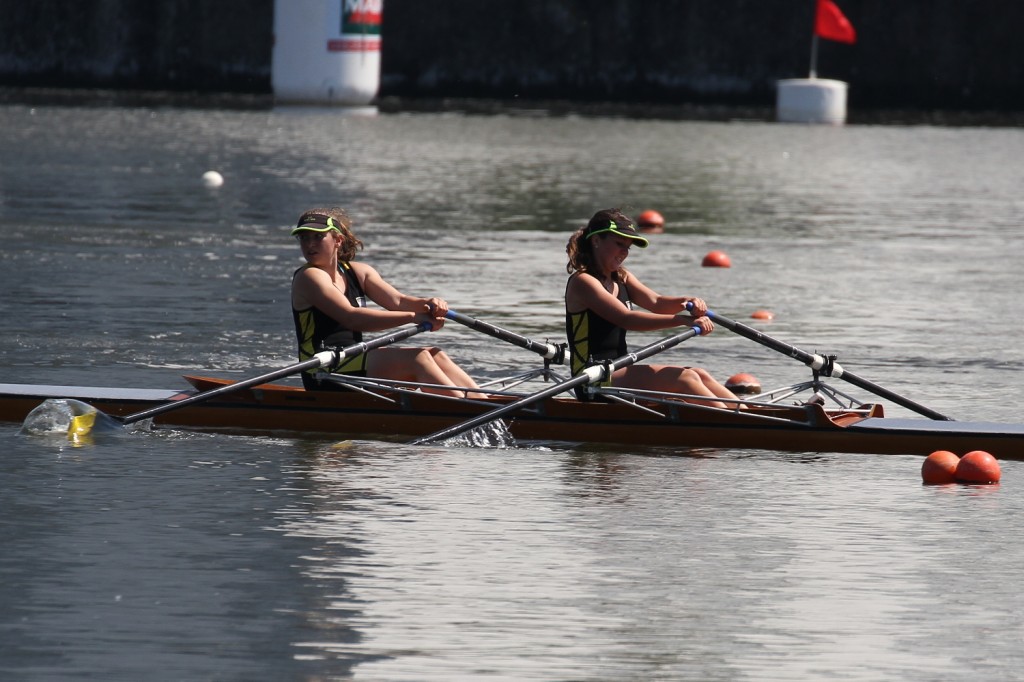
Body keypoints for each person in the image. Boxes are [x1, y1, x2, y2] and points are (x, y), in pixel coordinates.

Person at [290, 207, 484, 398]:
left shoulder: (358, 272)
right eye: (304, 238)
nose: (310, 244)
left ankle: (489, 407)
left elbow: (398, 301)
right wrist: (413, 317)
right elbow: (352, 318)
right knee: (418, 360)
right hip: (322, 370)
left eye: (317, 237)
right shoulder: (309, 277)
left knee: (434, 354)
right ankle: (470, 413)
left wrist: (430, 303)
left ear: (337, 240)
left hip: (351, 360)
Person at [564, 208, 741, 408]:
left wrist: (686, 301)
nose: (624, 252)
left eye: (628, 247)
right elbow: (626, 318)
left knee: (700, 374)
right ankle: (746, 430)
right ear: (596, 241)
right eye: (619, 244)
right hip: (591, 379)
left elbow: (656, 302)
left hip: (618, 371)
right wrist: (681, 321)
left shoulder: (621, 277)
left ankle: (757, 418)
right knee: (685, 379)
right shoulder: (583, 282)